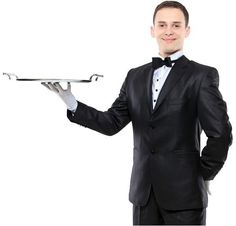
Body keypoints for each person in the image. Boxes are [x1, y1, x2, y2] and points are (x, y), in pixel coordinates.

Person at [42, 1, 232, 225]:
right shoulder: (135, 76)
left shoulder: (201, 76)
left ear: (187, 30)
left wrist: (203, 174)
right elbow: (111, 123)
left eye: (176, 25)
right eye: (162, 25)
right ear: (152, 30)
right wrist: (72, 103)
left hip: (185, 196)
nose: (168, 31)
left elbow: (220, 134)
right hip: (143, 196)